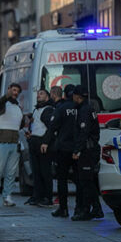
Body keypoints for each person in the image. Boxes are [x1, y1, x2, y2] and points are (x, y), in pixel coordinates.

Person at [71, 85, 103, 221]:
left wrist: (77, 150)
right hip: (90, 149)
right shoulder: (88, 108)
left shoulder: (84, 110)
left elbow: (84, 132)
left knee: (85, 182)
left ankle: (86, 210)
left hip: (87, 150)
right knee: (88, 181)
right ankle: (96, 208)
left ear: (77, 96)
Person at [50, 85, 79, 218]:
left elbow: (53, 126)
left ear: (65, 95)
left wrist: (47, 142)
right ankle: (80, 208)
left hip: (63, 148)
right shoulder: (81, 108)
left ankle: (63, 208)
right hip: (78, 148)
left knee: (62, 179)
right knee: (79, 180)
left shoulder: (61, 108)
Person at [0, 83, 25, 207]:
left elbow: (20, 125)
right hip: (2, 143)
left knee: (11, 173)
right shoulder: (3, 104)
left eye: (17, 91)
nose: (15, 93)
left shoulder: (18, 107)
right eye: (13, 90)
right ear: (8, 90)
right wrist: (6, 96)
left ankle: (7, 196)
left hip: (14, 143)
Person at [25, 89, 55, 207]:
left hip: (42, 143)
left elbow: (51, 128)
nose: (38, 95)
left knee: (45, 172)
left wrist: (46, 142)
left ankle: (47, 197)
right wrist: (30, 134)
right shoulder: (36, 109)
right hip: (34, 142)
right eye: (38, 93)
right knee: (36, 172)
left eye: (41, 93)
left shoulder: (48, 110)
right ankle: (37, 196)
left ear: (47, 97)